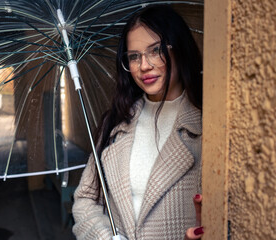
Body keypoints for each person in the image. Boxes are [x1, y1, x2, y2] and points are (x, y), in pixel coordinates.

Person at [72, 5, 203, 240]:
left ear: (179, 50)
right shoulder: (115, 123)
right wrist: (104, 237)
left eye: (156, 50)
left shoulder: (206, 127)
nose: (144, 66)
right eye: (134, 56)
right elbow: (85, 199)